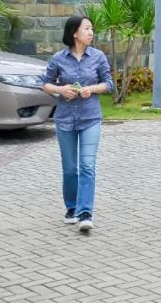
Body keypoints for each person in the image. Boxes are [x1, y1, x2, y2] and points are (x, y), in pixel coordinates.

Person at [40, 15, 114, 233]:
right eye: (87, 28)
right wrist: (61, 90)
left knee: (87, 166)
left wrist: (93, 89)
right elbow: (45, 84)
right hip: (65, 119)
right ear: (74, 33)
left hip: (91, 118)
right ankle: (72, 207)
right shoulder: (58, 58)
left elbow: (109, 83)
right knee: (70, 168)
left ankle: (85, 213)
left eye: (92, 29)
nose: (91, 33)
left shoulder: (98, 57)